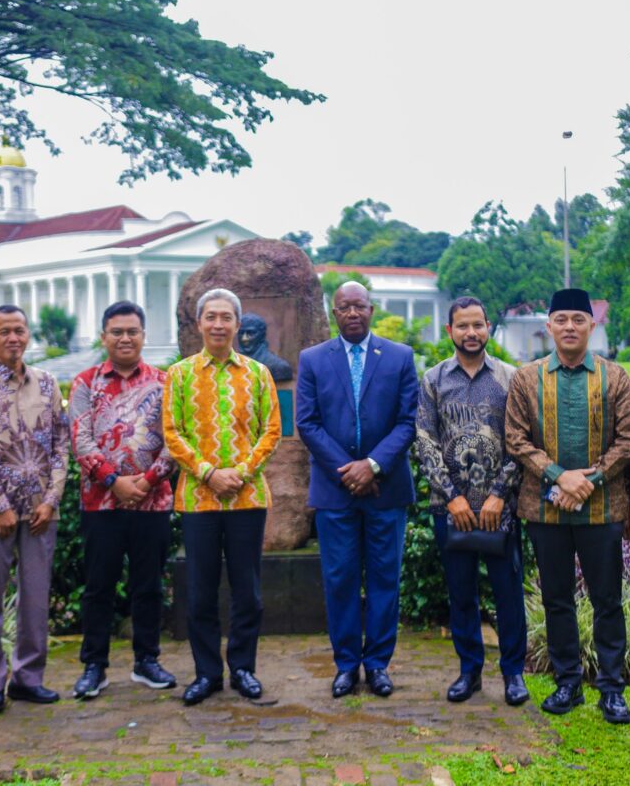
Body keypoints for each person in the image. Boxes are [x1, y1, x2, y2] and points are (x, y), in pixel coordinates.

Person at [505, 288, 630, 724]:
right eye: (560, 319)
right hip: (545, 510)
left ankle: (611, 688)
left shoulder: (614, 377)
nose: (569, 327)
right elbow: (516, 438)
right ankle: (568, 683)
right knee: (557, 598)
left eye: (577, 320)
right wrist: (558, 475)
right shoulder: (526, 379)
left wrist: (589, 479)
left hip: (601, 510)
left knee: (607, 599)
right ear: (549, 326)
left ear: (591, 325)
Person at [296, 281, 418, 699]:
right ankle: (347, 665)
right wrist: (346, 470)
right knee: (341, 579)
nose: (352, 313)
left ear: (371, 309)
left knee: (385, 578)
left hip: (386, 489)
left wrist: (373, 465)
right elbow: (307, 423)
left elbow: (407, 421)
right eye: (344, 307)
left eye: (359, 306)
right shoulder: (313, 359)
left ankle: (379, 664)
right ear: (334, 313)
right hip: (335, 491)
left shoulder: (399, 357)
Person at [162, 288, 281, 706]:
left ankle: (244, 668)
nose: (218, 324)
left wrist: (242, 473)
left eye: (226, 317)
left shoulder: (258, 373)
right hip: (199, 499)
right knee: (200, 589)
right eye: (210, 317)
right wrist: (209, 473)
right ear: (199, 324)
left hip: (247, 498)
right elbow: (172, 432)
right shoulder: (178, 375)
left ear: (236, 323)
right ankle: (207, 672)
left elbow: (271, 430)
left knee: (247, 589)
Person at [415, 297, 528, 706]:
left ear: (488, 329)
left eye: (478, 325)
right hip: (453, 511)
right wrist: (452, 498)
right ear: (449, 331)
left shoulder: (512, 378)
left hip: (501, 510)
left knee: (508, 592)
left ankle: (514, 673)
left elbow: (522, 441)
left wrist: (499, 494)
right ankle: (469, 671)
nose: (471, 333)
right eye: (462, 326)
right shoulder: (432, 380)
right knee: (461, 593)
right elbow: (424, 441)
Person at [0, 305, 69, 713]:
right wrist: (1, 504)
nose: (13, 338)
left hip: (42, 510)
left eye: (19, 330)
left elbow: (61, 445)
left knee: (36, 597)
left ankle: (28, 678)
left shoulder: (47, 383)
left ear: (28, 335)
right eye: (4, 331)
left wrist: (51, 499)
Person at [68, 301, 177, 700]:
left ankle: (147, 661)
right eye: (117, 332)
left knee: (148, 584)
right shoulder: (85, 384)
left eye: (132, 331)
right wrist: (114, 482)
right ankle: (94, 666)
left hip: (153, 502)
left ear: (144, 336)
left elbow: (175, 441)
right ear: (104, 337)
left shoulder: (166, 383)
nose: (125, 338)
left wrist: (146, 482)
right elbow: (80, 441)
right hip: (101, 505)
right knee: (99, 586)